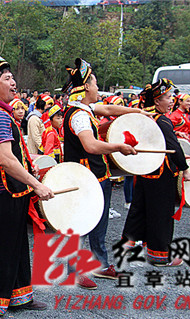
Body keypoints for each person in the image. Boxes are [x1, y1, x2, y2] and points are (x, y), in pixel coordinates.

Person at [0, 52, 54, 318]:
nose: (14, 82)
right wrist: (35, 184)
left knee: (16, 244)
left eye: (13, 77)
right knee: (0, 245)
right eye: (7, 78)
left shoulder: (2, 113)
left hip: (14, 191)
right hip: (3, 191)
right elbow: (6, 159)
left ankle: (18, 295)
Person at [61, 58, 144, 289]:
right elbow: (91, 146)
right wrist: (118, 147)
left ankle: (100, 264)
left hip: (97, 175)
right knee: (81, 224)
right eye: (96, 84)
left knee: (99, 221)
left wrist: (137, 112)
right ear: (86, 86)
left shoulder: (84, 108)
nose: (98, 88)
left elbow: (107, 109)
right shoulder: (78, 115)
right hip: (84, 179)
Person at [122, 79, 190, 267]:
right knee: (160, 213)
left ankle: (127, 246)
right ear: (158, 100)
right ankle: (160, 255)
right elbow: (173, 147)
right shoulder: (162, 120)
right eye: (168, 97)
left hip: (145, 170)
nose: (172, 100)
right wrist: (185, 168)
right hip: (161, 174)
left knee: (140, 209)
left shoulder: (146, 116)